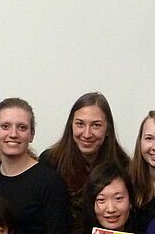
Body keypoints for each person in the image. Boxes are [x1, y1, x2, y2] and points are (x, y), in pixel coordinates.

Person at [0, 97, 71, 234]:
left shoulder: (49, 181)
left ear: (31, 134)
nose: (13, 134)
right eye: (5, 126)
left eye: (22, 127)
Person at [40, 92, 131, 223]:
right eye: (80, 124)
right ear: (71, 126)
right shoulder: (50, 161)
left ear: (108, 129)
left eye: (96, 125)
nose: (87, 134)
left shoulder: (123, 165)